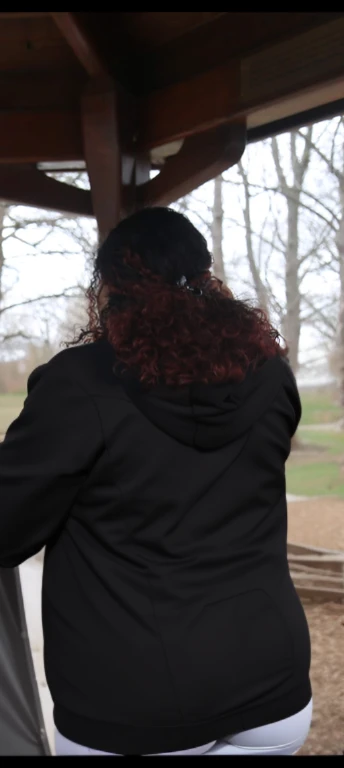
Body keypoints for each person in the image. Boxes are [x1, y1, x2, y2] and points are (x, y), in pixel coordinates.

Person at [0, 207, 312, 756]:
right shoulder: (271, 376)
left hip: (132, 702)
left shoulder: (80, 385)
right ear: (205, 276)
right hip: (271, 683)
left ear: (112, 288)